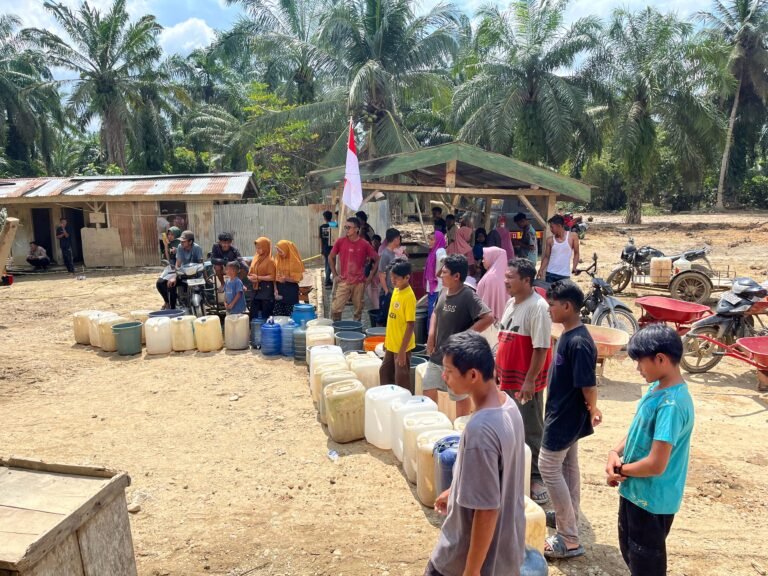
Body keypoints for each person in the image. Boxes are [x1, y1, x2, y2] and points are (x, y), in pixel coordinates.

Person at [425, 331, 526, 576]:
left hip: (467, 558)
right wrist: (456, 490)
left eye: (448, 371)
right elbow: (494, 476)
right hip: (506, 552)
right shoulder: (508, 405)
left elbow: (487, 510)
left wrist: (471, 571)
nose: (444, 376)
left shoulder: (480, 430)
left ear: (472, 375)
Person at [605, 325, 694, 576]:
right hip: (636, 491)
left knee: (647, 565)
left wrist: (621, 470)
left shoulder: (672, 405)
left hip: (652, 501)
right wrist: (615, 452)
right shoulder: (657, 389)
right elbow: (638, 428)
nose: (638, 369)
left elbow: (656, 464)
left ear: (661, 359)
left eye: (640, 363)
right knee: (632, 553)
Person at [540, 280, 599, 560]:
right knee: (568, 466)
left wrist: (594, 407)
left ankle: (569, 538)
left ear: (567, 306)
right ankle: (569, 515)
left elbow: (588, 384)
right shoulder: (567, 333)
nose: (549, 308)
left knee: (548, 468)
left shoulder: (579, 342)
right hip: (562, 412)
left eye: (553, 304)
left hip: (564, 417)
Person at [497, 257, 553, 504]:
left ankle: (536, 477)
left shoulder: (538, 307)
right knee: (509, 425)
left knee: (531, 428)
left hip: (524, 382)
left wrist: (529, 381)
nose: (505, 281)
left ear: (526, 281)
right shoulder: (511, 302)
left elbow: (541, 348)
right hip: (507, 378)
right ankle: (513, 468)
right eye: (506, 276)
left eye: (511, 278)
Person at [424, 254, 494, 418]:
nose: (441, 275)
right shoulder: (443, 291)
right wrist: (431, 334)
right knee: (428, 390)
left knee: (459, 397)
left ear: (456, 276)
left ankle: (460, 430)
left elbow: (488, 317)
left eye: (445, 272)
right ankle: (431, 424)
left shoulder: (467, 295)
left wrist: (464, 337)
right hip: (437, 355)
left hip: (456, 359)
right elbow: (435, 312)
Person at [329, 217, 379, 322]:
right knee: (335, 309)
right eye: (345, 227)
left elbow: (377, 259)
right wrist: (335, 274)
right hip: (344, 281)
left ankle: (356, 331)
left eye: (348, 227)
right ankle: (337, 328)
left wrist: (370, 277)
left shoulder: (364, 244)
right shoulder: (340, 241)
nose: (346, 229)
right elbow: (330, 257)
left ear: (356, 229)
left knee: (358, 310)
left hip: (359, 282)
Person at [379, 259, 416, 390]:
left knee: (402, 379)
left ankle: (404, 404)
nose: (393, 281)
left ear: (407, 278)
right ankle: (388, 398)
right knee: (384, 372)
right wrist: (386, 341)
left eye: (396, 278)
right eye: (391, 277)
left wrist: (402, 352)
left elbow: (410, 325)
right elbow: (392, 319)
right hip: (391, 343)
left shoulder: (409, 296)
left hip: (402, 346)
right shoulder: (396, 290)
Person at [157, 230, 203, 309]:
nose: (181, 243)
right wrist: (174, 277)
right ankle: (172, 308)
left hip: (195, 275)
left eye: (184, 241)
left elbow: (201, 263)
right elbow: (178, 264)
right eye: (181, 241)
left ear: (190, 242)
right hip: (183, 274)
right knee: (169, 284)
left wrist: (205, 276)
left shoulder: (197, 248)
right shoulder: (180, 247)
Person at [537, 214, 579, 283]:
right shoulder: (550, 240)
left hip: (564, 275)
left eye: (552, 227)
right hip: (550, 274)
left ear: (559, 226)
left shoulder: (573, 236)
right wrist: (541, 269)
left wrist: (574, 267)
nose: (551, 230)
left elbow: (576, 253)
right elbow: (547, 257)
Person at [477, 246, 509, 322]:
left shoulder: (491, 278)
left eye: (484, 258)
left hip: (488, 322)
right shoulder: (504, 275)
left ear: (492, 258)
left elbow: (486, 304)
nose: (483, 261)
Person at [377, 228, 402, 326]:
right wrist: (386, 291)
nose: (400, 241)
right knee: (384, 318)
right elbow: (381, 274)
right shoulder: (385, 254)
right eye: (399, 238)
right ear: (396, 239)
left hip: (396, 290)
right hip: (388, 292)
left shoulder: (396, 252)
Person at [273, 240, 304, 317]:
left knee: (291, 316)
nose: (279, 253)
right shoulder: (277, 258)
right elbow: (274, 275)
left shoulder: (295, 261)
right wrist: (275, 289)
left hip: (291, 290)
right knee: (279, 316)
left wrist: (286, 279)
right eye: (277, 250)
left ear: (286, 250)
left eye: (280, 251)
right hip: (279, 289)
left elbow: (297, 278)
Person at [248, 237, 276, 320]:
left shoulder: (270, 260)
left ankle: (267, 331)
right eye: (256, 248)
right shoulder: (256, 258)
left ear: (265, 247)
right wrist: (250, 277)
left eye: (259, 248)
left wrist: (258, 277)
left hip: (266, 290)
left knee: (266, 314)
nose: (257, 250)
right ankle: (255, 331)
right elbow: (250, 272)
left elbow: (272, 277)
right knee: (254, 314)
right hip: (255, 289)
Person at [424, 230, 447, 321]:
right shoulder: (433, 252)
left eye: (432, 239)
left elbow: (444, 259)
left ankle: (431, 334)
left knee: (433, 314)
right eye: (429, 239)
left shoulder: (440, 251)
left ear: (438, 240)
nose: (430, 241)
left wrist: (439, 272)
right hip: (432, 288)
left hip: (437, 288)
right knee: (432, 314)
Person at [319, 210, 335, 288]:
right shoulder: (334, 225)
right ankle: (327, 281)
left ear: (324, 218)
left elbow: (321, 239)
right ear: (331, 217)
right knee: (331, 264)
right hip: (333, 248)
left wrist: (321, 249)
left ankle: (327, 280)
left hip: (325, 248)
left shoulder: (322, 227)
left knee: (327, 264)